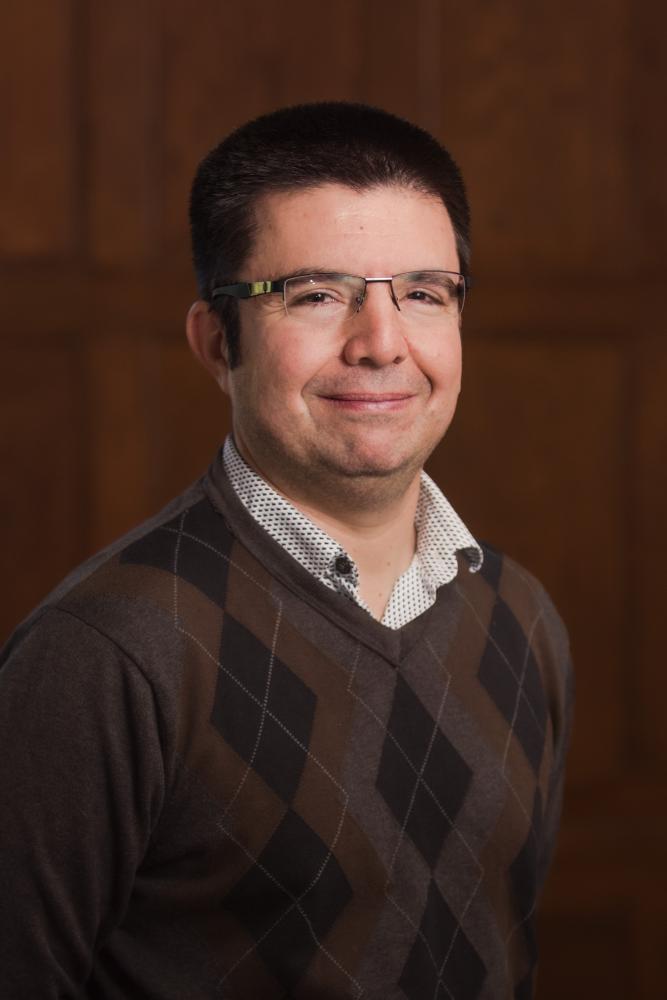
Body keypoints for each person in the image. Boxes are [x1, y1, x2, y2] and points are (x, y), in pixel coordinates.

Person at [0, 102, 573, 999]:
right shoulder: (105, 654)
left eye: (423, 292)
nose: (382, 343)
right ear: (216, 342)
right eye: (315, 294)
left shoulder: (520, 616)